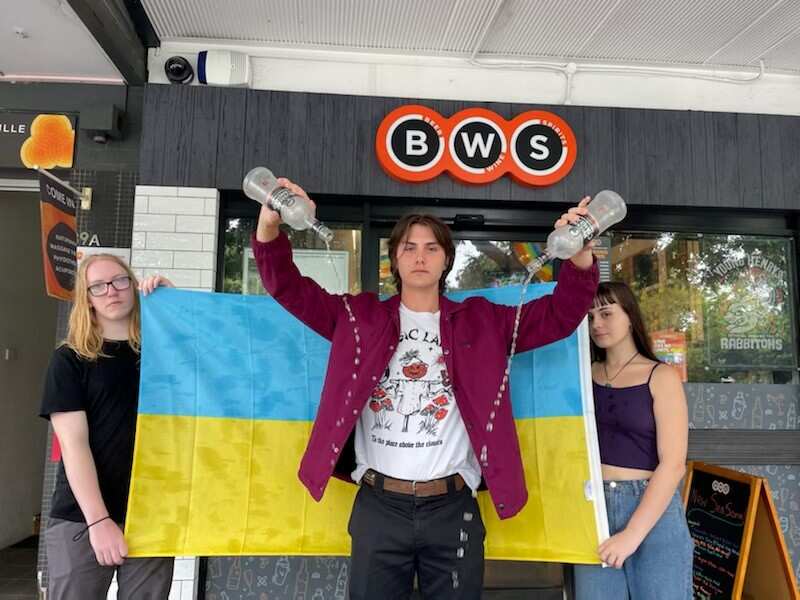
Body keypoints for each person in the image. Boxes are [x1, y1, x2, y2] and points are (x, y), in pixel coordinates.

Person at [252, 178, 599, 600]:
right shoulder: (357, 317)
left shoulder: (483, 322)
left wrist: (580, 256)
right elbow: (286, 286)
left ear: (446, 260)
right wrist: (270, 225)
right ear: (394, 259)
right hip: (379, 507)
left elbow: (560, 316)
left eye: (431, 248)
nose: (420, 257)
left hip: (453, 509)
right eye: (409, 248)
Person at [40, 254, 174, 600]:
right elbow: (74, 446)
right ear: (87, 298)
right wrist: (99, 522)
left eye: (119, 280)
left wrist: (176, 309)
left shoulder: (161, 354)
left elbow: (214, 362)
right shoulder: (70, 359)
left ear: (133, 284)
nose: (111, 291)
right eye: (98, 286)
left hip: (150, 513)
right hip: (81, 519)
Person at [574, 281, 693, 599]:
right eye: (589, 316)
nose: (597, 323)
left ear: (630, 316)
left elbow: (673, 465)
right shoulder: (583, 373)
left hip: (650, 506)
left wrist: (632, 534)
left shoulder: (661, 376)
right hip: (592, 507)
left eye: (606, 313)